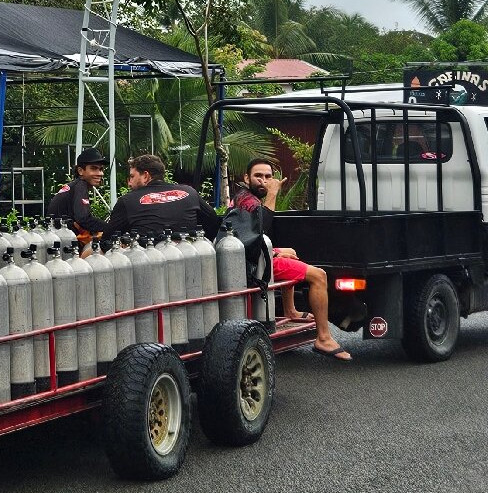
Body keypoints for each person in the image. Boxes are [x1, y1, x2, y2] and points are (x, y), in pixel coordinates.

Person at [234, 158, 352, 362]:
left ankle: (291, 310)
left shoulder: (246, 197)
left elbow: (250, 235)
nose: (263, 181)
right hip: (255, 263)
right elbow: (260, 229)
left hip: (255, 256)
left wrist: (277, 251)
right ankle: (324, 338)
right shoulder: (247, 201)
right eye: (258, 176)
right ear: (247, 178)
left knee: (291, 252)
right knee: (319, 276)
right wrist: (272, 194)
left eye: (268, 177)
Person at [105, 154, 220, 246]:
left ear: (145, 176)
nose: (129, 183)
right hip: (190, 258)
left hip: (147, 262)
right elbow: (214, 223)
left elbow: (107, 241)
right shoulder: (189, 192)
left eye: (132, 176)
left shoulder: (127, 201)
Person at [49, 147, 111, 244]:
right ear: (80, 171)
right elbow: (84, 219)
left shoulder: (75, 186)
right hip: (63, 242)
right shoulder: (80, 186)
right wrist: (112, 228)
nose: (100, 173)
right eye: (94, 168)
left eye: (101, 169)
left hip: (58, 238)